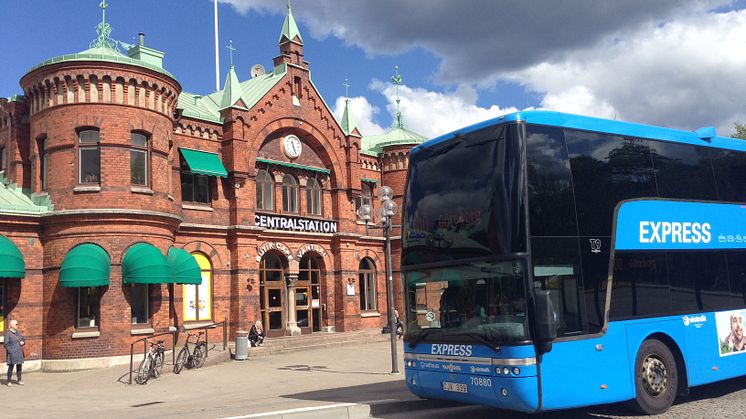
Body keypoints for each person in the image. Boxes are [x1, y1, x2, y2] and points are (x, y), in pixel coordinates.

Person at [4, 319, 25, 386]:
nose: (17, 325)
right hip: (12, 354)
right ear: (12, 325)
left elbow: (23, 339)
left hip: (19, 352)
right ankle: (9, 381)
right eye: (16, 324)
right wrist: (10, 351)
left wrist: (23, 342)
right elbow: (6, 344)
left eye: (17, 324)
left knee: (19, 367)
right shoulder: (8, 334)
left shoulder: (18, 333)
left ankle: (19, 380)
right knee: (11, 367)